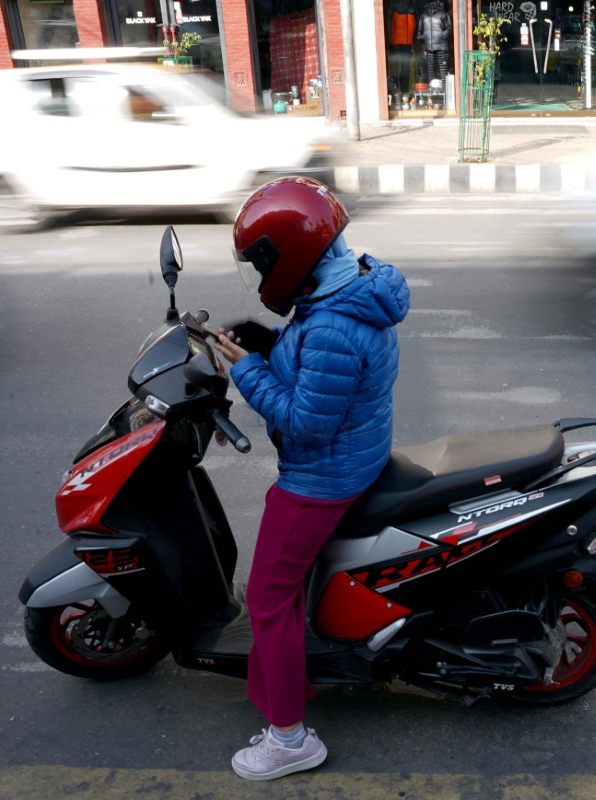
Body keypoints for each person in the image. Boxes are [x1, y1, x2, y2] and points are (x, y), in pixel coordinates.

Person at [208, 176, 410, 782]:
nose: (262, 276)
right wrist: (265, 344)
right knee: (282, 590)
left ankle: (291, 739)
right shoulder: (348, 289)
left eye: (262, 262)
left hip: (322, 475)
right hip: (355, 454)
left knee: (269, 597)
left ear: (292, 254)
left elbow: (305, 423)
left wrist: (246, 371)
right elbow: (319, 374)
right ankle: (293, 684)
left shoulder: (330, 325)